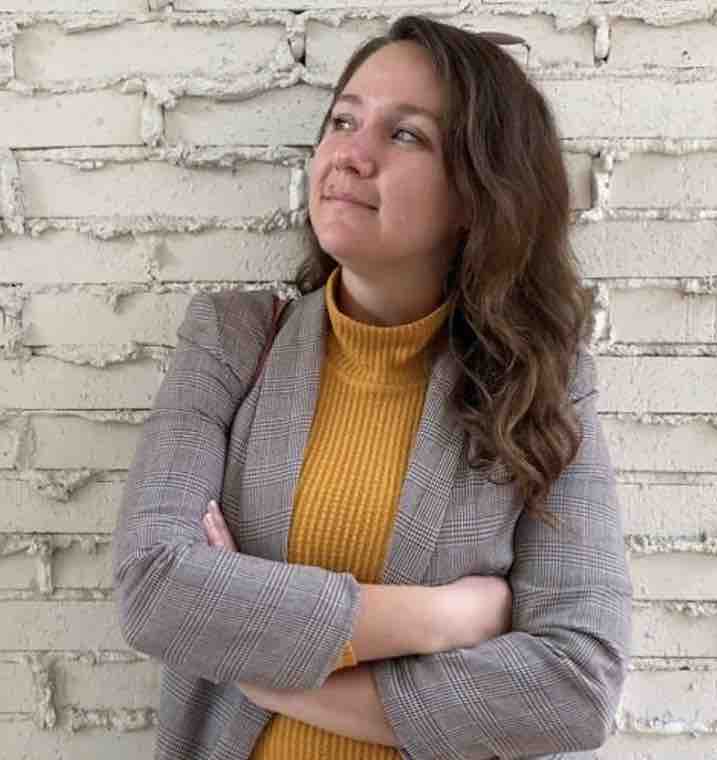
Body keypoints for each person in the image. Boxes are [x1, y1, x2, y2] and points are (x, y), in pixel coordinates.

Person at [112, 14, 632, 760]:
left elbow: (577, 688)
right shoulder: (231, 341)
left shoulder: (542, 384)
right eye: (343, 121)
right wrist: (441, 618)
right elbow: (154, 588)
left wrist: (270, 675)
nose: (351, 156)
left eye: (406, 134)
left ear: (477, 193)